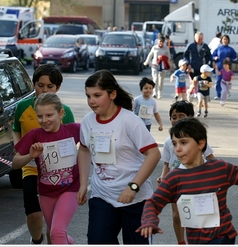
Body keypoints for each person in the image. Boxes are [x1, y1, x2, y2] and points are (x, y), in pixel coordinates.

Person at [136, 117, 238, 244]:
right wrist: (149, 221)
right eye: (174, 144)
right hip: (196, 240)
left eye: (183, 142)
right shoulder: (174, 178)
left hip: (222, 236)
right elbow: (153, 203)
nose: (177, 149)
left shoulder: (220, 169)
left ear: (201, 143)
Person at [77, 70, 161, 244]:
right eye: (88, 96)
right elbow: (84, 149)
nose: (91, 101)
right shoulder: (87, 121)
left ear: (112, 94)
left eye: (97, 95)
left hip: (136, 200)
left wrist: (133, 186)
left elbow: (153, 154)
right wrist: (83, 183)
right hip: (102, 196)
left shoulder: (130, 120)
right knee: (97, 240)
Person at [12, 64, 75, 245]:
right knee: (33, 215)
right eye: (40, 85)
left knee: (53, 228)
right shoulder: (23, 107)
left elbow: (72, 143)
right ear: (34, 84)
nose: (44, 90)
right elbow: (17, 129)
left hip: (57, 173)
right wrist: (20, 149)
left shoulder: (65, 111)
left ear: (57, 88)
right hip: (31, 169)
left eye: (50, 86)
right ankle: (35, 240)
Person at [157, 101, 215, 245]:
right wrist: (163, 177)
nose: (176, 119)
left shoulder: (197, 140)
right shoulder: (168, 142)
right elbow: (166, 163)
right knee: (177, 215)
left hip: (196, 183)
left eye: (181, 116)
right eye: (173, 116)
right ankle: (181, 242)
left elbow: (212, 160)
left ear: (189, 118)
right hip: (177, 184)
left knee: (196, 214)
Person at [212, 35, 237, 100]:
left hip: (227, 69)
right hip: (219, 67)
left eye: (226, 39)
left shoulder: (230, 49)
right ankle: (218, 94)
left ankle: (226, 91)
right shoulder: (218, 49)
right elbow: (212, 56)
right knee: (218, 81)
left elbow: (235, 57)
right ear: (221, 40)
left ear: (228, 40)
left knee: (226, 81)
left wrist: (230, 59)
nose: (225, 41)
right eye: (224, 39)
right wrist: (215, 57)